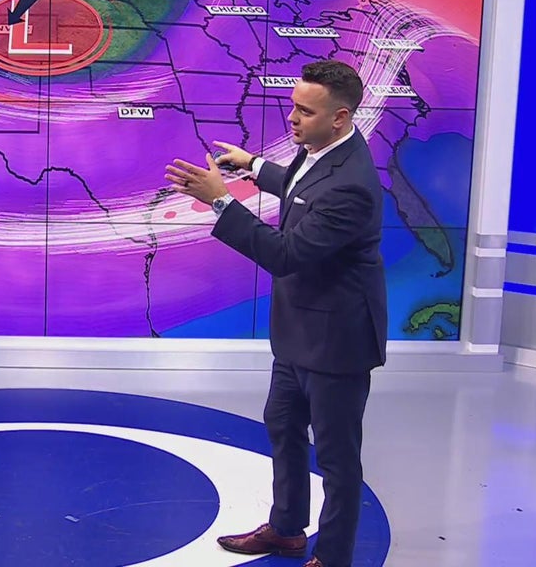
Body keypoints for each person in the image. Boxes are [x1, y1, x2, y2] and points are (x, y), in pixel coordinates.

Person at [164, 59, 387, 567]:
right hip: (298, 330)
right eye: (293, 106)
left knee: (336, 458)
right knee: (283, 429)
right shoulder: (324, 148)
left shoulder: (353, 185)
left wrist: (222, 203)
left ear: (340, 117)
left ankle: (333, 557)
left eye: (305, 112)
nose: (292, 118)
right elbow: (302, 185)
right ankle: (287, 530)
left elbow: (286, 253)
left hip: (337, 341)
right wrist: (254, 166)